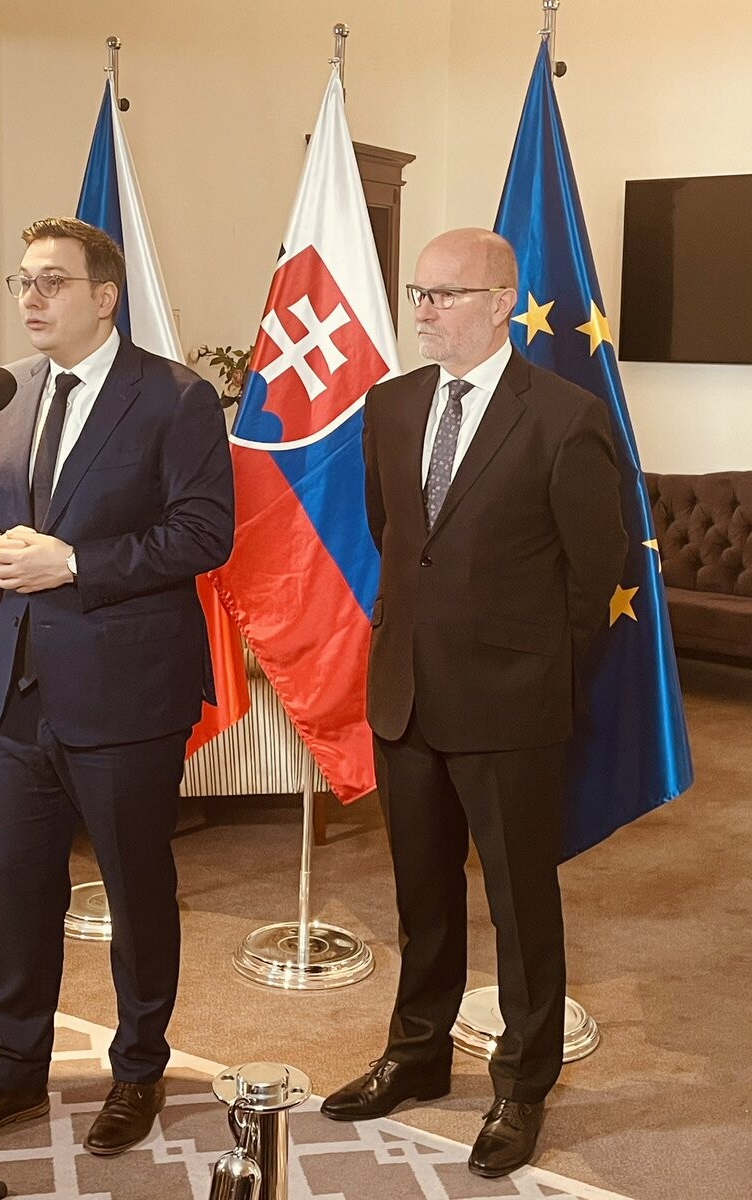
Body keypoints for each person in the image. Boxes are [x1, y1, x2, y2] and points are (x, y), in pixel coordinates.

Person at [0, 217, 234, 1158]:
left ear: (104, 296)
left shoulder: (174, 398)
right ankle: (13, 1069)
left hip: (127, 693)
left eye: (51, 281)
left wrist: (76, 562)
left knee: (136, 892)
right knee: (16, 893)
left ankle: (137, 1070)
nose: (31, 297)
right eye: (22, 280)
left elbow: (204, 532)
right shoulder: (3, 395)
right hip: (17, 693)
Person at [321, 228, 627, 1177]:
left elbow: (595, 575)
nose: (423, 310)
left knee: (520, 907)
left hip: (511, 704)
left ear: (501, 303)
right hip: (406, 694)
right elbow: (394, 536)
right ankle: (416, 1054)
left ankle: (522, 1085)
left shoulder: (565, 416)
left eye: (444, 294)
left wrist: (527, 670)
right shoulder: (391, 403)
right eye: (418, 293)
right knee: (421, 895)